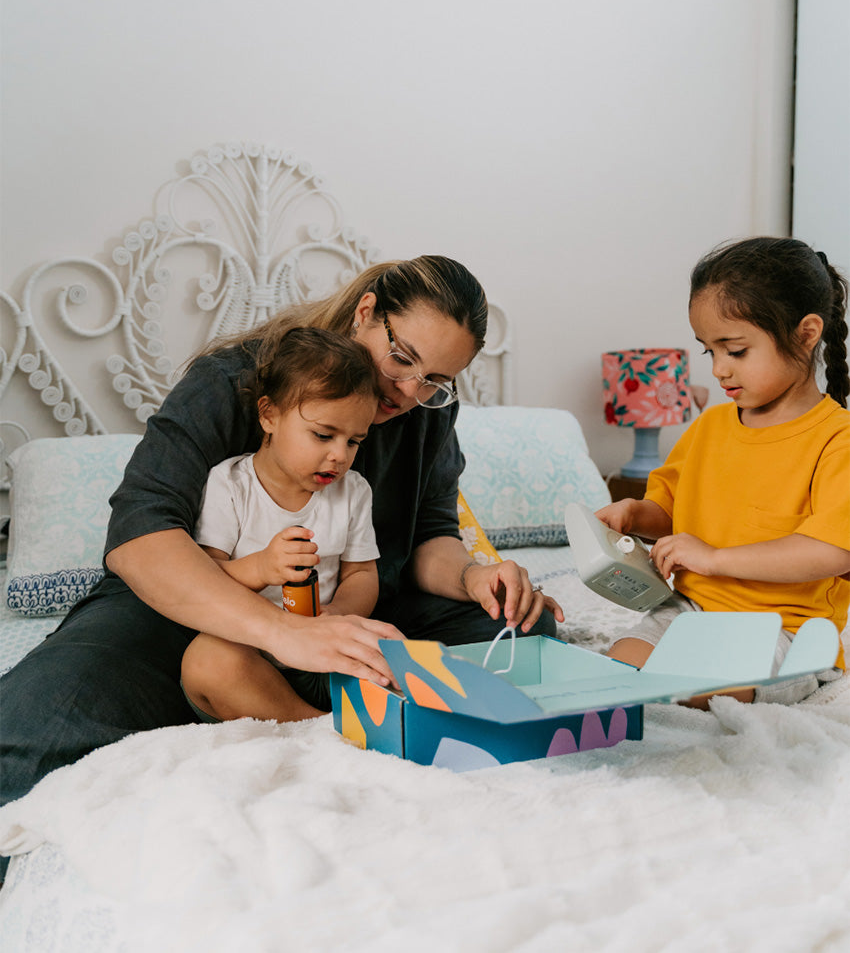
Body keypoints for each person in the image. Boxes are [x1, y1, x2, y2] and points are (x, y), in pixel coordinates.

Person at [0, 255, 564, 823]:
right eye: (402, 359)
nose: (409, 391)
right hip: (186, 609)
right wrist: (285, 633)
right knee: (33, 718)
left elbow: (430, 537)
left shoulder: (427, 411)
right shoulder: (233, 382)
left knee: (523, 627)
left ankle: (297, 706)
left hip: (348, 603)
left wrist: (473, 578)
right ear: (366, 311)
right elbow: (140, 540)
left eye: (436, 381)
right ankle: (285, 705)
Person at [598, 237, 850, 707]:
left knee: (697, 688)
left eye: (735, 351)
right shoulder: (710, 426)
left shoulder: (837, 439)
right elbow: (670, 513)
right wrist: (633, 513)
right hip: (690, 609)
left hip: (786, 628)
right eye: (708, 351)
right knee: (620, 667)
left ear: (806, 333)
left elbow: (831, 551)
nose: (718, 370)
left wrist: (713, 558)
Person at [182, 326, 384, 723]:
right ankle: (313, 727)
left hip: (325, 653)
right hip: (253, 656)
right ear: (269, 415)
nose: (339, 455)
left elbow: (361, 574)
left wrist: (338, 614)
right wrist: (260, 568)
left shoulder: (353, 491)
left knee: (390, 651)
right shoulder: (231, 485)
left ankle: (354, 721)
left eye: (354, 441)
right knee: (206, 659)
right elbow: (205, 576)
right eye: (323, 435)